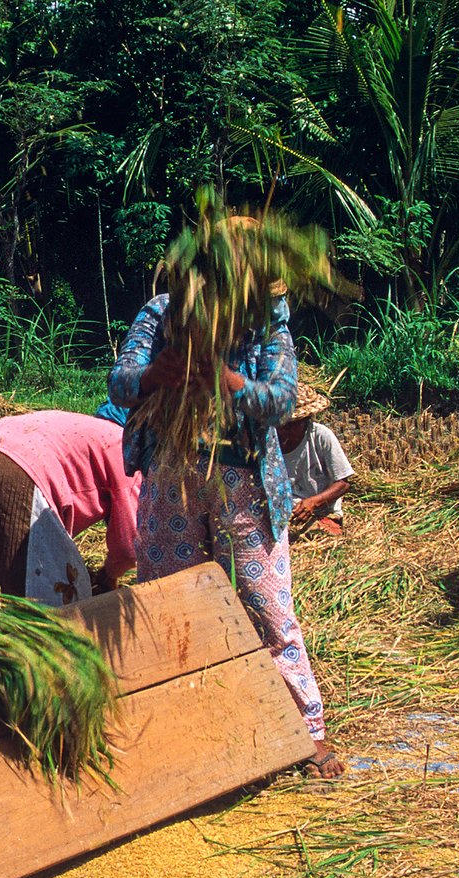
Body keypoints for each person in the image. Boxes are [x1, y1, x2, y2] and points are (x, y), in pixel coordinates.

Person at [109, 230, 344, 779]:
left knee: (266, 606)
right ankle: (181, 726)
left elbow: (280, 398)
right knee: (168, 603)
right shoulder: (162, 314)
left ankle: (305, 731)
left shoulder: (266, 325)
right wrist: (153, 374)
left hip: (241, 483)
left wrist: (227, 377)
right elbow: (120, 382)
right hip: (172, 479)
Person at [0, 407, 140, 606]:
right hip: (15, 470)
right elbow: (129, 547)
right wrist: (108, 576)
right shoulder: (127, 453)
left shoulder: (89, 429)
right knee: (48, 608)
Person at [278, 384, 355, 537]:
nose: (285, 430)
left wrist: (313, 503)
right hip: (282, 513)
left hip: (321, 512)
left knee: (320, 532)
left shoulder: (320, 436)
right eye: (282, 424)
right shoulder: (270, 441)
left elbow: (343, 483)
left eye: (292, 425)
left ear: (305, 420)